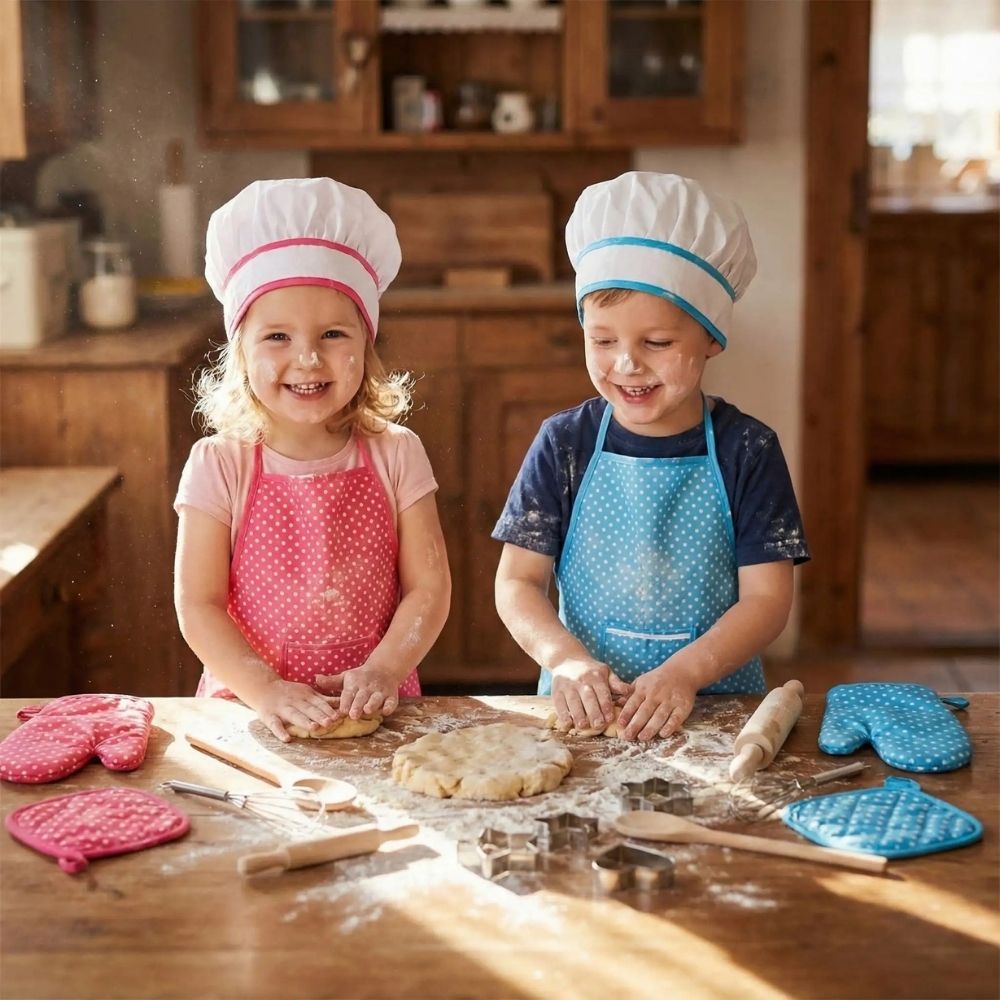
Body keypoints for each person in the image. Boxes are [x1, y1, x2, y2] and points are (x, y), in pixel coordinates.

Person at [493, 172, 810, 743]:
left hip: (717, 712)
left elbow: (767, 600)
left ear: (711, 337)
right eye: (602, 340)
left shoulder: (748, 451)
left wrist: (685, 673)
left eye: (657, 343)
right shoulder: (564, 444)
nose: (626, 364)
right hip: (585, 714)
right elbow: (517, 582)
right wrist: (565, 661)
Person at [174, 177, 450, 742]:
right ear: (240, 350)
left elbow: (429, 589)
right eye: (277, 336)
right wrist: (266, 690)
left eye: (332, 334)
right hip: (250, 712)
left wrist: (384, 670)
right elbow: (198, 605)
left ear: (366, 344)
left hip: (374, 708)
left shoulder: (397, 453)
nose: (307, 358)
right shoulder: (219, 464)